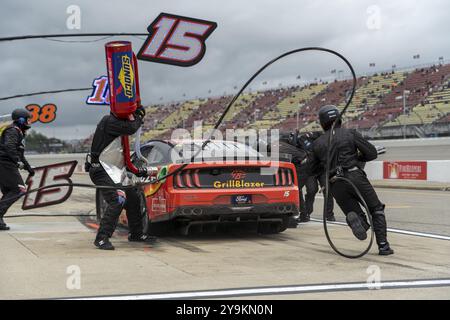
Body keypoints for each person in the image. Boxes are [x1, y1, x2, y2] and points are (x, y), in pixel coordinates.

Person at [310, 105, 394, 256]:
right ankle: (383, 246)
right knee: (376, 209)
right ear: (339, 118)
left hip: (335, 183)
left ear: (322, 123)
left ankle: (359, 222)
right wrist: (357, 158)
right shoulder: (350, 133)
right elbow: (372, 153)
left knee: (356, 213)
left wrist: (324, 178)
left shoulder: (317, 143)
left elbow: (312, 169)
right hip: (355, 176)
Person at [88, 106, 156, 250]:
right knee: (117, 199)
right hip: (100, 169)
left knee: (133, 196)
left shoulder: (120, 128)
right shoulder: (109, 121)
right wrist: (138, 117)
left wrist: (139, 171)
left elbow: (126, 160)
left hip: (114, 170)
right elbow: (132, 128)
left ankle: (136, 234)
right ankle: (101, 238)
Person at [0, 109, 35, 230]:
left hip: (6, 164)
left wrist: (28, 168)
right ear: (21, 120)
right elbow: (9, 147)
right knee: (19, 190)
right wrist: (17, 162)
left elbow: (20, 154)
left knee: (9, 192)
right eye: (28, 119)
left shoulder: (19, 131)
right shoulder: (13, 130)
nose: (30, 121)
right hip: (4, 164)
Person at [296, 132, 335, 223]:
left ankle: (329, 214)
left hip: (322, 170)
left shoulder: (329, 142)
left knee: (328, 191)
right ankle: (307, 213)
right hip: (310, 171)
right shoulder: (304, 139)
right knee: (311, 190)